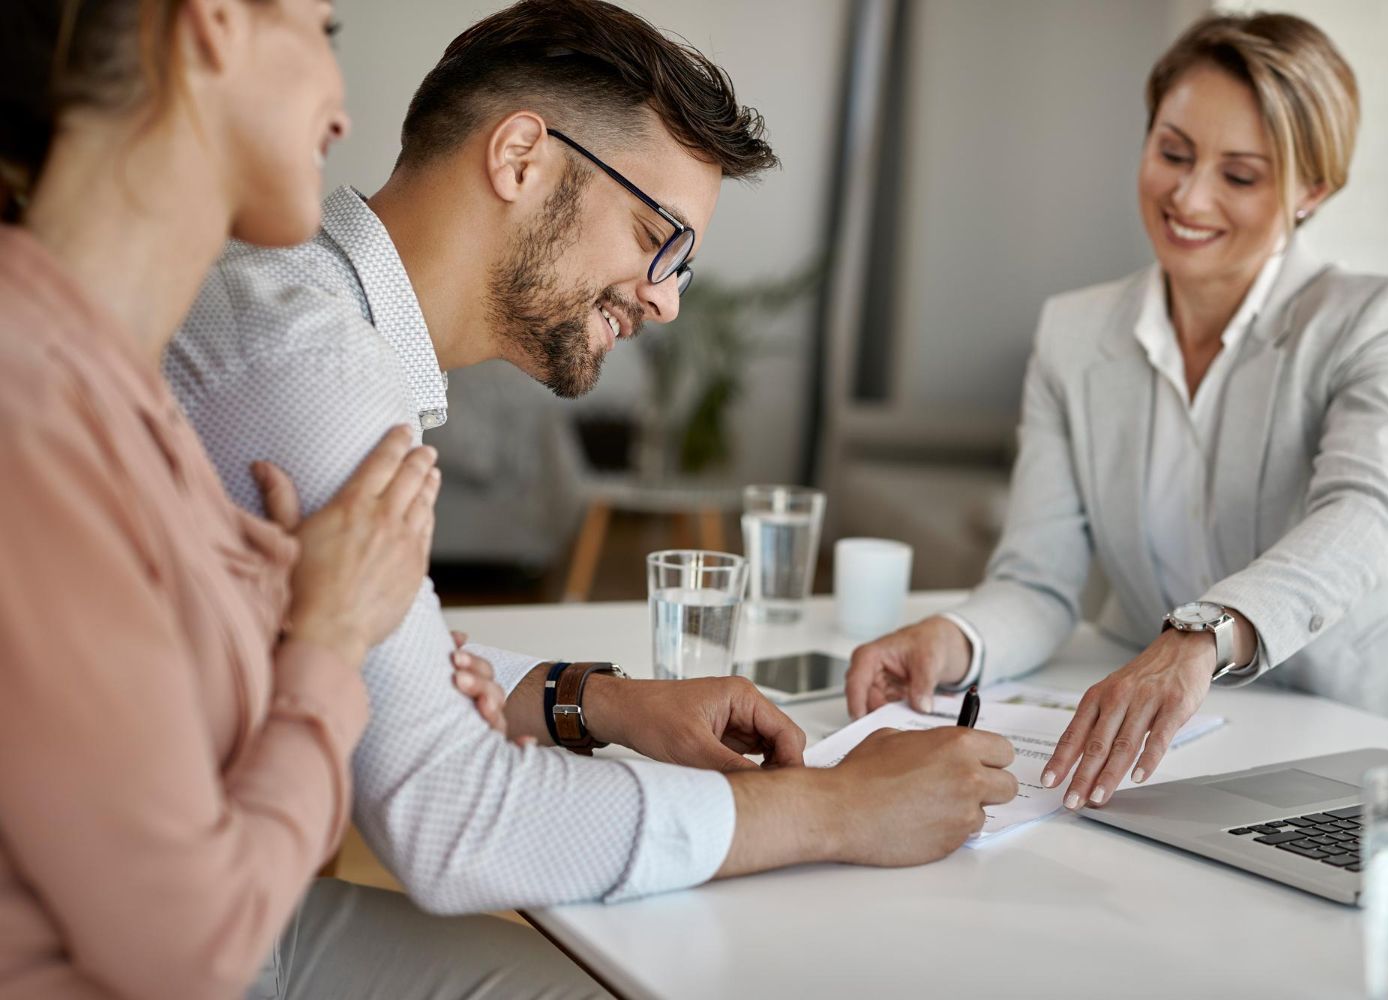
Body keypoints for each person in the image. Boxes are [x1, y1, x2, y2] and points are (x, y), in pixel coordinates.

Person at [166, 0, 1017, 942]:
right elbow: (449, 816)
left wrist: (596, 700)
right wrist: (840, 809)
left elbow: (374, 661)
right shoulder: (321, 370)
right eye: (662, 237)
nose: (664, 301)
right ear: (520, 158)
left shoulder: (304, 311)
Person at [846, 11, 1388, 815]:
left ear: (1312, 190)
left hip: (1379, 762)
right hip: (1175, 761)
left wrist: (1202, 633)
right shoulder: (1073, 335)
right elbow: (1040, 584)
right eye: (1172, 153)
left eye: (1240, 175)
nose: (1188, 196)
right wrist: (953, 639)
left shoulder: (1376, 319)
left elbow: (1366, 511)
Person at [0, 0, 462, 995]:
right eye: (324, 33)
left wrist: (293, 604)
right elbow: (192, 952)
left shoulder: (113, 383)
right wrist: (330, 643)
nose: (342, 112)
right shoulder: (32, 409)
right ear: (213, 20)